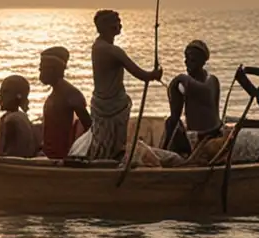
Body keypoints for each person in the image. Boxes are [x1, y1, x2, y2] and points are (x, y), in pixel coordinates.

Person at [87, 10, 162, 161]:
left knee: (103, 143)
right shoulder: (113, 51)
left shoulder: (97, 46)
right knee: (115, 146)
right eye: (117, 22)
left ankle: (104, 162)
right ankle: (110, 165)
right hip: (112, 106)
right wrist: (155, 74)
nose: (120, 25)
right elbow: (143, 75)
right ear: (110, 27)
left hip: (102, 104)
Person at [163, 40, 223, 156]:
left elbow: (203, 91)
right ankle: (168, 153)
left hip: (209, 135)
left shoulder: (211, 81)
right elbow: (176, 114)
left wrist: (181, 78)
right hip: (193, 135)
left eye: (192, 60)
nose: (187, 63)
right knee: (170, 123)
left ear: (203, 61)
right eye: (186, 59)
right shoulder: (187, 85)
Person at [39, 47, 91, 161]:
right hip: (48, 155)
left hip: (61, 157)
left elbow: (90, 127)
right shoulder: (55, 93)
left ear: (54, 69)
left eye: (43, 68)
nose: (40, 72)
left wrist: (76, 152)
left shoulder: (71, 94)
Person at [0, 74, 38, 158]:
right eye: (0, 92)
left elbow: (2, 154)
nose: (0, 97)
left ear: (18, 96)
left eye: (5, 92)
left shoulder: (11, 120)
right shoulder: (22, 117)